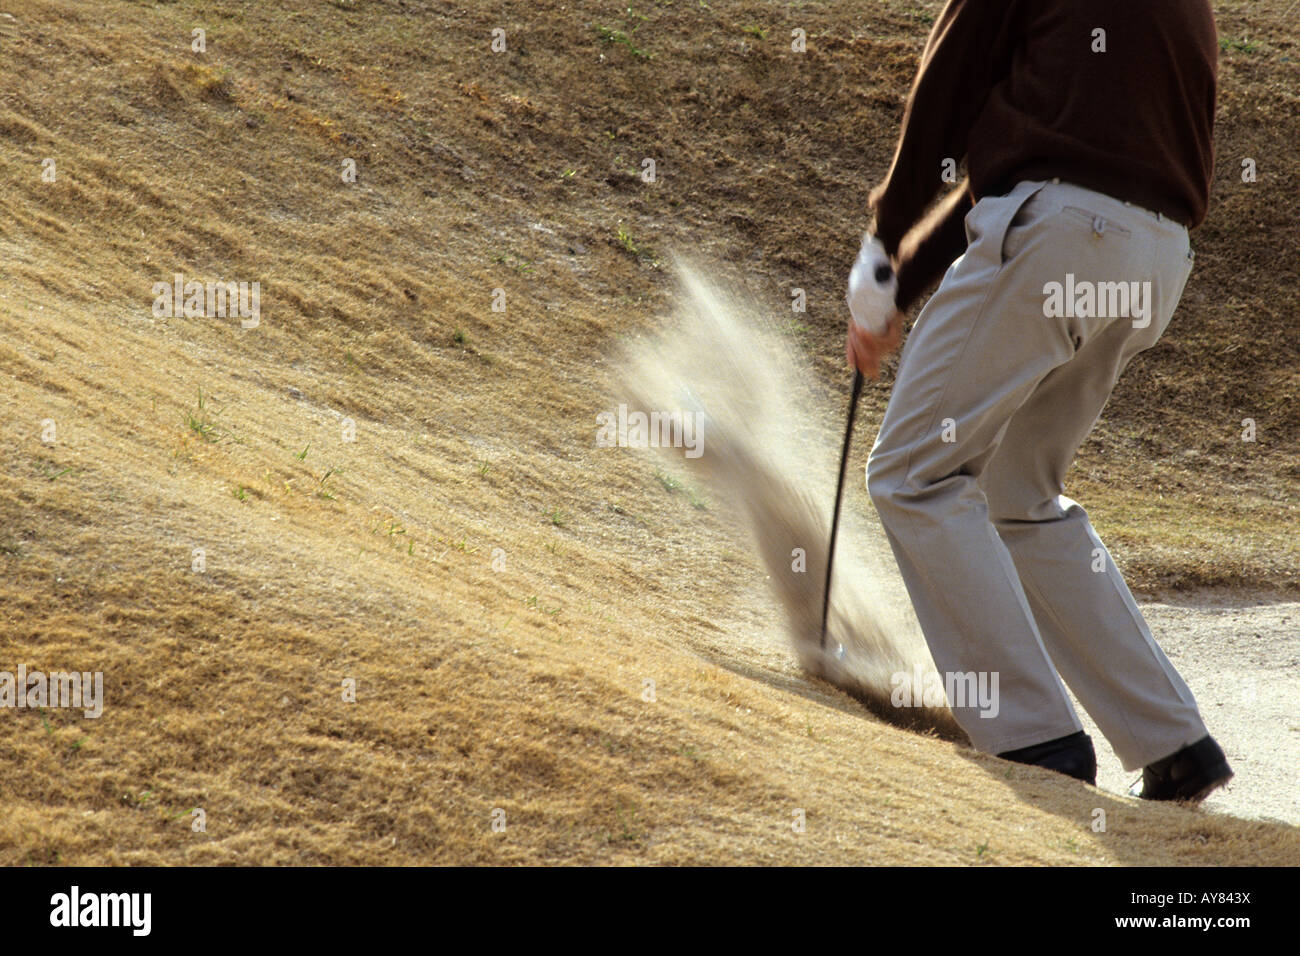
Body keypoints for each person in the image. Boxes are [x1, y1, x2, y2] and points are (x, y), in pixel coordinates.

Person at [845, 0, 1232, 801]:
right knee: (1018, 492)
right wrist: (900, 283)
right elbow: (1032, 152)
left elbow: (948, 98)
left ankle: (1034, 740)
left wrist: (882, 254)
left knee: (915, 473)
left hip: (1061, 237)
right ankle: (1174, 743)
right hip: (1153, 258)